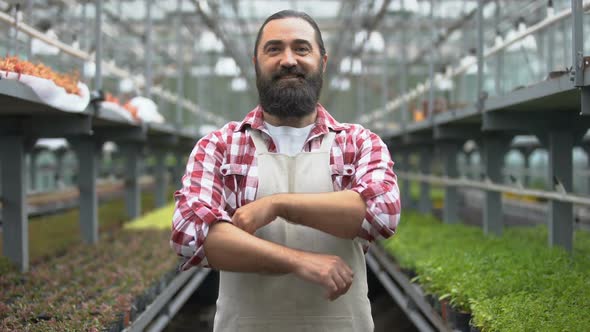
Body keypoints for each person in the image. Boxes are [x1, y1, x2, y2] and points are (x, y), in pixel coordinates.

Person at [171, 10, 401, 332]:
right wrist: (299, 261)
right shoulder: (220, 146)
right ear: (256, 62)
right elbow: (190, 232)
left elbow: (381, 213)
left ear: (323, 61)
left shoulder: (358, 143)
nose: (288, 60)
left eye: (301, 48)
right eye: (274, 49)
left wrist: (277, 204)